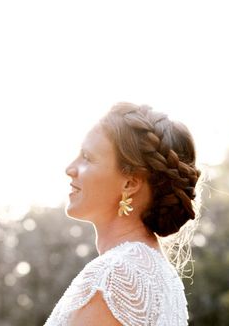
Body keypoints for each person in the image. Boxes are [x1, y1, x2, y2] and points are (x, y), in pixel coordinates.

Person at [45, 102, 201, 326]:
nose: (70, 168)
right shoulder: (157, 274)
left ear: (130, 183)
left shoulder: (116, 275)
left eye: (87, 158)